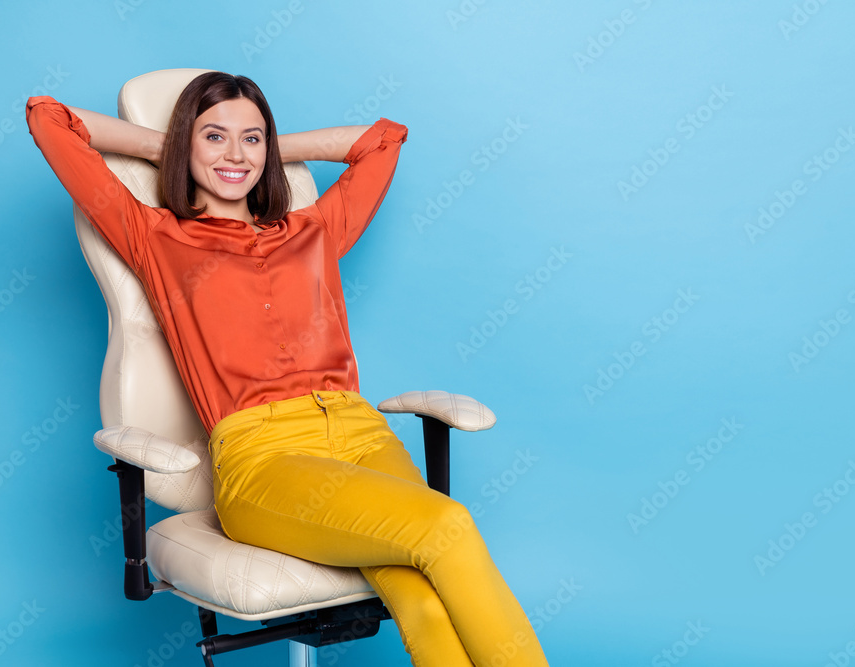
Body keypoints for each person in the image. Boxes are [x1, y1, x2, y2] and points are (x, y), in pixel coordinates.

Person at [27, 71, 548, 667]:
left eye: (252, 139)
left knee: (422, 598)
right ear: (184, 144)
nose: (235, 154)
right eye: (214, 136)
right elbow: (50, 118)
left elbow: (383, 140)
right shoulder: (156, 238)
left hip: (360, 435)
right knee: (447, 526)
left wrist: (271, 152)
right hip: (263, 458)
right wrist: (169, 147)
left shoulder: (314, 231)